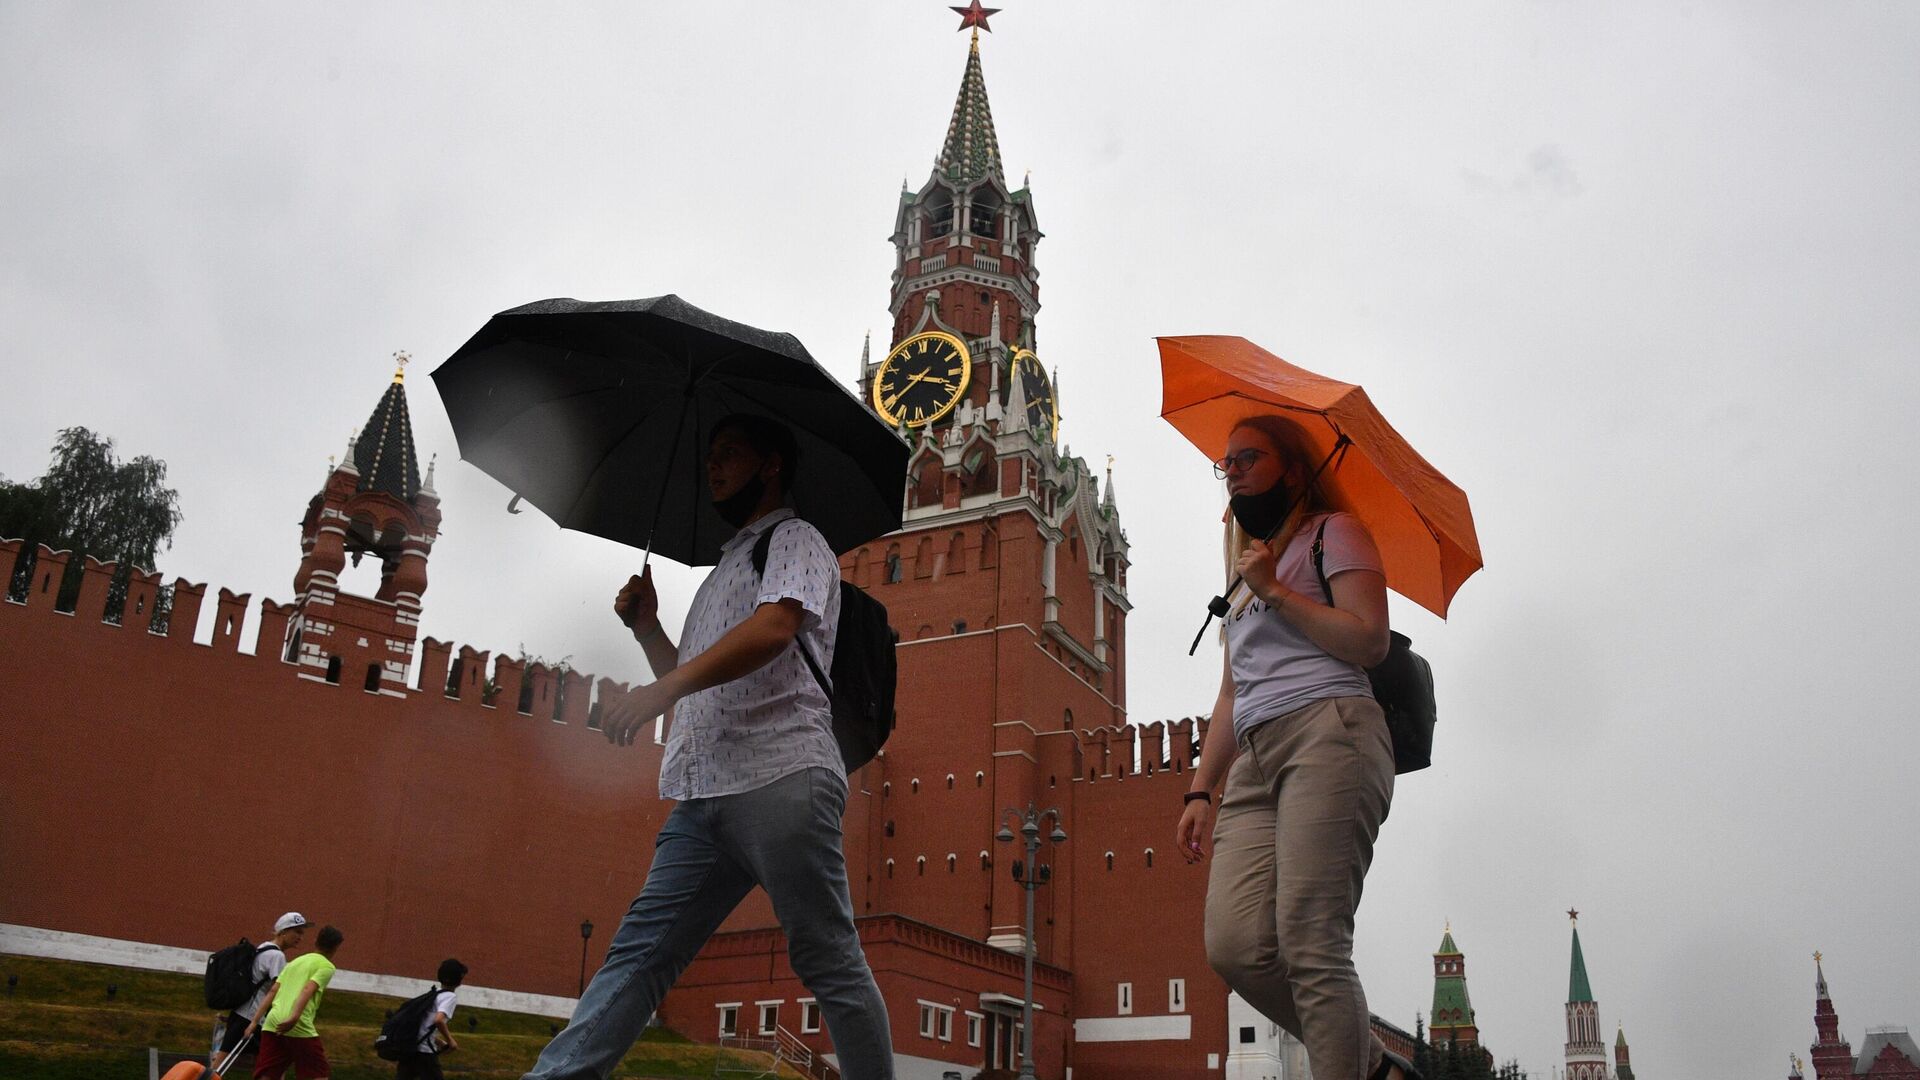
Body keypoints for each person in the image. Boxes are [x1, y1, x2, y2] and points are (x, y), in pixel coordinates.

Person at [522, 414, 893, 1080]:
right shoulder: (726, 566)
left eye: (728, 455)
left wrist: (660, 695)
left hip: (782, 778)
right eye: (710, 457)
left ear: (772, 464)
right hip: (703, 794)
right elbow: (696, 679)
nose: (713, 468)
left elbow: (777, 627)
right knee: (640, 953)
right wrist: (646, 628)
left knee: (827, 958)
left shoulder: (796, 539)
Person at [1175, 414, 1412, 1080]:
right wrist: (1201, 788)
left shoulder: (1334, 534)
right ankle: (1367, 1060)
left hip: (1329, 733)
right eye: (1227, 464)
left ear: (1295, 470)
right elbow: (1231, 691)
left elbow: (1369, 640)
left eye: (1249, 457)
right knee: (1235, 944)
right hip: (1254, 758)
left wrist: (1278, 592)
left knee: (1311, 943)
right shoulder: (1242, 573)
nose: (1235, 472)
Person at [248, 924, 343, 1080]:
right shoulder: (326, 966)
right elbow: (308, 989)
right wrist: (294, 1017)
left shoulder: (294, 962)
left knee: (268, 1073)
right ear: (336, 947)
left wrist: (254, 1022)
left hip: (272, 1021)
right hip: (296, 1023)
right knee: (317, 1073)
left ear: (315, 941)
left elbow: (273, 991)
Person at [215, 912, 306, 1073]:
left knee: (266, 1067)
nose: (300, 937)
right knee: (220, 1067)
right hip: (251, 1019)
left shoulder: (264, 947)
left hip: (243, 1015)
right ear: (284, 931)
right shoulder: (277, 956)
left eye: (301, 933)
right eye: (297, 932)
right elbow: (277, 990)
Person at [394, 958, 468, 1080]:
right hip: (425, 1053)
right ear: (459, 981)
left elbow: (424, 1025)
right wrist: (450, 1041)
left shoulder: (433, 993)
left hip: (410, 1048)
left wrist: (438, 1041)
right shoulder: (450, 997)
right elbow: (438, 1020)